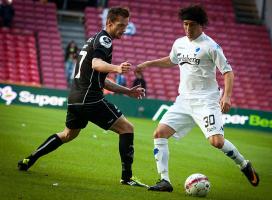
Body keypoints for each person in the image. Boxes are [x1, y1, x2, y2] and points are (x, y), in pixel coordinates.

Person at [18, 7, 147, 187]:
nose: (124, 29)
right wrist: (117, 68)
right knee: (127, 128)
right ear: (109, 23)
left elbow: (101, 79)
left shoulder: (92, 40)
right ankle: (127, 178)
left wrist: (127, 91)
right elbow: (96, 64)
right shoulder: (104, 40)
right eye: (120, 25)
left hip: (76, 98)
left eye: (126, 25)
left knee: (68, 134)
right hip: (90, 99)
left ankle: (29, 159)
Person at [135, 5, 259, 192]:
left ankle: (244, 164)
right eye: (185, 24)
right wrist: (148, 64)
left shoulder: (211, 46)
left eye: (191, 25)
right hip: (184, 100)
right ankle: (164, 181)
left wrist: (226, 96)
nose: (187, 29)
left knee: (216, 142)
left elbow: (228, 72)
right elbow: (171, 60)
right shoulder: (179, 43)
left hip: (207, 101)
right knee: (159, 133)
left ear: (201, 25)